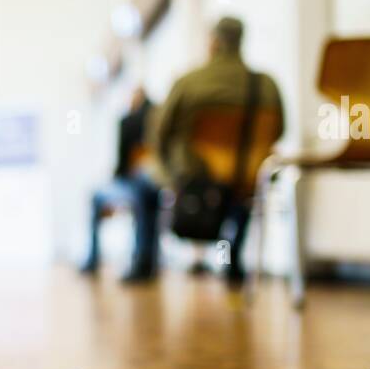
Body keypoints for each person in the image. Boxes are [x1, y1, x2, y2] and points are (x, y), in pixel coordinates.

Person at [82, 17, 283, 285]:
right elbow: (279, 130)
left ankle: (144, 263)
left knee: (142, 184)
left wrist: (170, 172)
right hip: (244, 177)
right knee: (239, 186)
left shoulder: (189, 82)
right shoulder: (267, 86)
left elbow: (158, 135)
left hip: (191, 177)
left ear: (213, 43)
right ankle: (233, 260)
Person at [81, 86, 154, 281]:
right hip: (156, 186)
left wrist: (115, 174)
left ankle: (92, 259)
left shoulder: (128, 121)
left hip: (134, 187)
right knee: (146, 200)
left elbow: (122, 167)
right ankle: (146, 260)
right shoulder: (158, 121)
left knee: (96, 197)